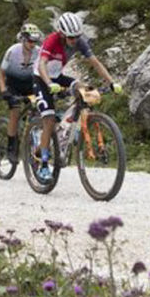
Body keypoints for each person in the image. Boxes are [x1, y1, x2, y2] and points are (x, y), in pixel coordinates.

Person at [32, 11, 118, 184]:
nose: (74, 40)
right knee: (48, 118)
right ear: (62, 34)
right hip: (41, 78)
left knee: (82, 88)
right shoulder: (52, 40)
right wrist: (49, 83)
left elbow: (96, 63)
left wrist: (112, 83)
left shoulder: (80, 42)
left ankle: (65, 132)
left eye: (76, 37)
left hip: (58, 76)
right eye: (70, 37)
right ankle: (43, 166)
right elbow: (42, 64)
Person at [0, 21, 42, 163]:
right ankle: (11, 146)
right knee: (15, 110)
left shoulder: (39, 52)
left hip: (29, 84)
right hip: (12, 84)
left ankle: (34, 142)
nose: (32, 44)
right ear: (22, 39)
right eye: (29, 41)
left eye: (34, 41)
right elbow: (1, 74)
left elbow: (43, 71)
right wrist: (3, 90)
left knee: (38, 109)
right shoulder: (12, 51)